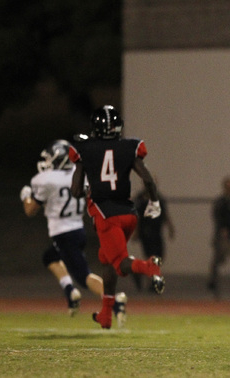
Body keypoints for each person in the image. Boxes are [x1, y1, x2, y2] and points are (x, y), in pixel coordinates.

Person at [69, 105, 165, 330]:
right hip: (128, 214)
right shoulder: (129, 147)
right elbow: (148, 179)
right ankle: (105, 314)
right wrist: (155, 202)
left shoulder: (85, 148)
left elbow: (75, 190)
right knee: (107, 262)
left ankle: (149, 267)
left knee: (120, 263)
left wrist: (86, 187)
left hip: (105, 215)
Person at [19, 139, 115, 317]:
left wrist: (26, 195)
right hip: (78, 230)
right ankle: (70, 291)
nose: (48, 163)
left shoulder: (47, 180)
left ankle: (114, 300)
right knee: (49, 257)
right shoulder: (79, 174)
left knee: (83, 277)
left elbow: (30, 209)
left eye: (51, 159)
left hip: (63, 233)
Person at [132, 186, 175, 292]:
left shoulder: (158, 197)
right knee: (152, 258)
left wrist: (170, 227)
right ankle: (153, 284)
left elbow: (165, 213)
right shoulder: (140, 198)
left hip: (157, 231)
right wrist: (136, 231)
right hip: (145, 231)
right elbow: (136, 215)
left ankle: (138, 271)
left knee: (159, 257)